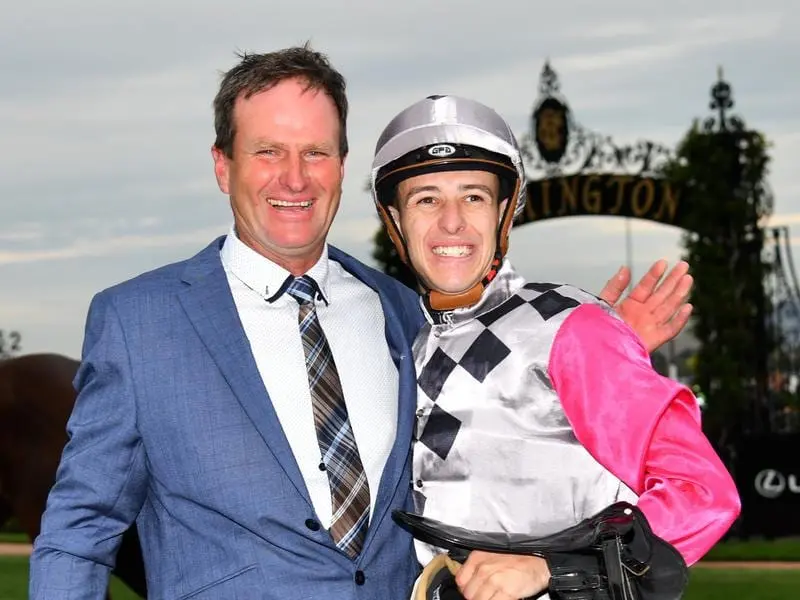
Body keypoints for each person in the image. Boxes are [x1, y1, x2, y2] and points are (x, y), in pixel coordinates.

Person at [30, 45, 693, 600]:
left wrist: (599, 357)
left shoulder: (401, 310)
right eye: (268, 152)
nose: (295, 179)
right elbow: (81, 528)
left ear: (343, 167)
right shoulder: (138, 321)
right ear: (222, 165)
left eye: (316, 153)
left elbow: (501, 438)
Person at [368, 95, 741, 600]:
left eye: (474, 196)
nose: (451, 221)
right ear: (395, 220)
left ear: (504, 211)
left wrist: (555, 566)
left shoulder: (575, 328)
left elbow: (704, 495)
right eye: (426, 198)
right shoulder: (401, 344)